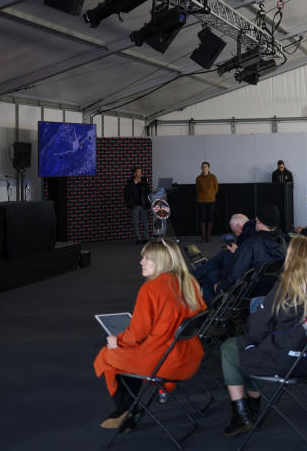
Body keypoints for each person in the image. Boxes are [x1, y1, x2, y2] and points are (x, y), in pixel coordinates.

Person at [219, 235, 307, 436]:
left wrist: (251, 337)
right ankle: (253, 407)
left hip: (285, 361)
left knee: (231, 348)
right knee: (251, 348)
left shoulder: (285, 287)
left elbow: (257, 328)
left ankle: (241, 415)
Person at [93, 239, 206, 429]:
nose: (141, 262)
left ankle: (124, 411)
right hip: (188, 357)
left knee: (108, 354)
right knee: (124, 357)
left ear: (160, 261)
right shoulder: (190, 283)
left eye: (146, 258)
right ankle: (128, 409)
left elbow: (137, 334)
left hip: (164, 361)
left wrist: (117, 340)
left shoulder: (151, 289)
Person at [217, 204, 285, 296]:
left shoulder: (252, 244)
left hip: (250, 291)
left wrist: (219, 288)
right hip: (273, 290)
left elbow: (235, 275)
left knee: (211, 277)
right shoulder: (282, 242)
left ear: (259, 222)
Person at [194, 214, 254, 302]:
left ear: (239, 225)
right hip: (247, 269)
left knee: (220, 260)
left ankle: (194, 275)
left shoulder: (247, 234)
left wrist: (236, 252)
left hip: (243, 271)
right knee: (219, 260)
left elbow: (242, 263)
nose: (236, 235)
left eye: (235, 231)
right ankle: (196, 275)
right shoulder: (254, 231)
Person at [123, 167, 151, 243]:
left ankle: (146, 238)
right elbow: (126, 194)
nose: (141, 173)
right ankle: (138, 239)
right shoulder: (130, 183)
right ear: (134, 173)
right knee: (136, 223)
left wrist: (148, 203)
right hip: (134, 206)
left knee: (145, 223)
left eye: (141, 172)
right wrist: (130, 204)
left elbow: (148, 193)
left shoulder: (144, 182)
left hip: (143, 205)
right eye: (139, 172)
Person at [195, 162, 219, 242]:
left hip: (211, 201)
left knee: (210, 218)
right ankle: (203, 237)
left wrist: (211, 195)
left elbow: (216, 188)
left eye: (205, 167)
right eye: (202, 167)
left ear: (208, 168)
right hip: (201, 201)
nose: (204, 168)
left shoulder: (213, 177)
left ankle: (208, 237)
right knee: (202, 219)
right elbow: (197, 189)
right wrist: (203, 196)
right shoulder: (198, 178)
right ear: (201, 168)